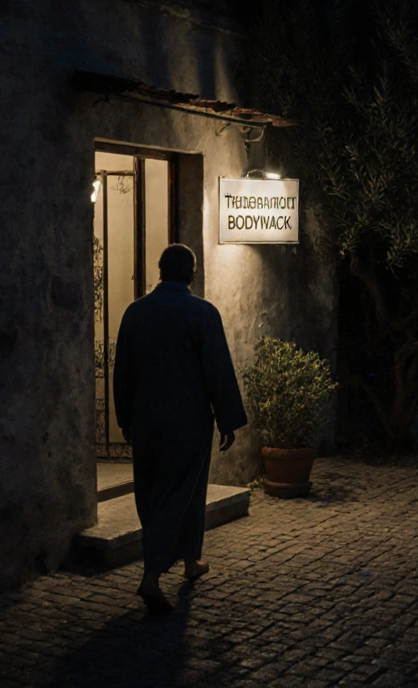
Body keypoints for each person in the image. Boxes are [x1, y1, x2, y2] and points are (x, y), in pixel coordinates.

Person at [113, 243, 247, 615]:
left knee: (157, 492)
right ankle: (151, 578)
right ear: (191, 274)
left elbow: (121, 369)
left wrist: (124, 418)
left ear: (160, 272)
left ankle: (191, 560)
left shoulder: (135, 313)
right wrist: (228, 418)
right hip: (188, 422)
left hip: (146, 420)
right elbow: (217, 370)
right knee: (180, 493)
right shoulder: (202, 314)